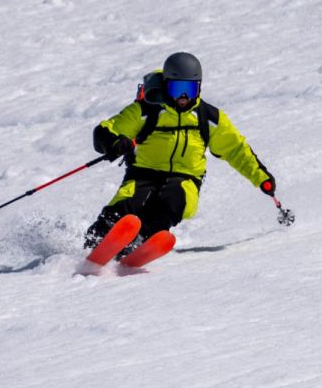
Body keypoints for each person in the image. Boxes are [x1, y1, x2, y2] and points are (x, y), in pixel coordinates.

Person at [83, 51, 277, 250]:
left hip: (186, 178)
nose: (183, 97)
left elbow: (236, 149)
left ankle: (143, 239)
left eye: (190, 89)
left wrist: (261, 177)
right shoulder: (147, 110)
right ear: (166, 85)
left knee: (174, 199)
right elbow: (107, 130)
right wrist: (112, 142)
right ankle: (98, 238)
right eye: (177, 89)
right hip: (143, 173)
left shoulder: (209, 118)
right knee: (129, 201)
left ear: (199, 87)